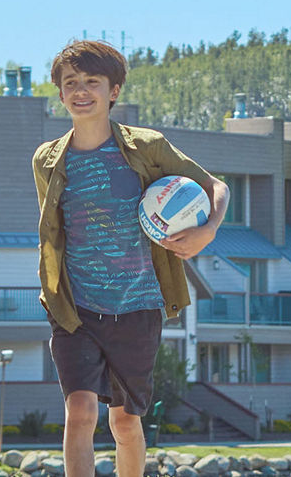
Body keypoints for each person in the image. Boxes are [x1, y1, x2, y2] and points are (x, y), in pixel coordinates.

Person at [33, 40, 228, 477]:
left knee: (124, 421)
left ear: (114, 90)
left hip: (138, 307)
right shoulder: (47, 160)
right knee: (80, 412)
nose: (81, 91)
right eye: (71, 83)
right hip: (75, 308)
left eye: (92, 82)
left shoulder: (147, 147)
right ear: (60, 94)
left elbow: (217, 187)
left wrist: (207, 230)